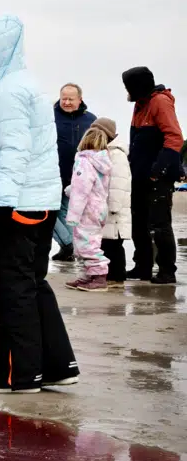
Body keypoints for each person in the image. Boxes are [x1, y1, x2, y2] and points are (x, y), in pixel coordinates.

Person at [0, 17, 77, 394]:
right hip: (40, 202)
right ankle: (58, 365)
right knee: (32, 283)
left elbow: (15, 151)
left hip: (16, 205)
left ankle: (18, 374)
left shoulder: (7, 92)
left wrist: (0, 203)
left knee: (11, 289)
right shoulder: (27, 85)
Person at [122, 66, 182, 285]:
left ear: (137, 86)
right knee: (138, 222)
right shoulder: (140, 104)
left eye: (128, 87)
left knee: (159, 223)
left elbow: (174, 137)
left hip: (157, 177)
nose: (126, 92)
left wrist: (159, 171)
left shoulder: (160, 102)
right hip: (139, 175)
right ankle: (143, 267)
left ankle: (167, 271)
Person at [62, 120, 118, 292]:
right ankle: (90, 274)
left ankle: (99, 277)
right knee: (91, 240)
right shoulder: (102, 161)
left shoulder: (85, 161)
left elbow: (81, 189)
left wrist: (72, 215)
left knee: (86, 243)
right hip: (99, 207)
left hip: (87, 209)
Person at [51, 84, 97, 262]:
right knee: (46, 212)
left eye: (71, 99)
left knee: (65, 213)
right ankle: (69, 244)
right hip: (52, 174)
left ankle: (67, 248)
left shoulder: (90, 120)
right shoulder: (49, 117)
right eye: (64, 98)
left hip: (78, 176)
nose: (67, 102)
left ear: (80, 99)